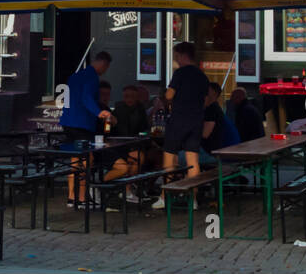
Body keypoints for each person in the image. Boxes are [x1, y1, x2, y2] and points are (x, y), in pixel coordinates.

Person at [152, 42, 210, 210]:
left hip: (178, 120)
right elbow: (206, 101)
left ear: (183, 55)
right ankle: (193, 198)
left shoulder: (180, 73)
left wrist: (164, 97)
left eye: (176, 55)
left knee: (169, 158)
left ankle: (165, 196)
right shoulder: (202, 75)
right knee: (193, 160)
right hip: (196, 121)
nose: (175, 59)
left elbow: (170, 95)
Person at [59, 51, 115, 207]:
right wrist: (99, 112)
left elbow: (68, 99)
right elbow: (87, 98)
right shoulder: (92, 77)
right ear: (103, 64)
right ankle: (82, 198)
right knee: (86, 159)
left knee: (75, 160)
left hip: (68, 122)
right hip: (82, 124)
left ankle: (72, 197)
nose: (105, 71)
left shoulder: (75, 76)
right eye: (106, 67)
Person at [103, 85, 149, 199]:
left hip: (134, 144)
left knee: (155, 157)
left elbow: (144, 128)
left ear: (137, 97)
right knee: (138, 157)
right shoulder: (119, 109)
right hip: (119, 146)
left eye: (132, 96)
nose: (129, 99)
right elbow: (119, 131)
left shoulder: (140, 109)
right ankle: (125, 189)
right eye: (127, 96)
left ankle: (129, 189)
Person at [201, 82, 241, 159]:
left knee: (178, 156)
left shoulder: (211, 109)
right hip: (224, 151)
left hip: (214, 154)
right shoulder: (216, 109)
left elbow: (205, 134)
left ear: (213, 93)